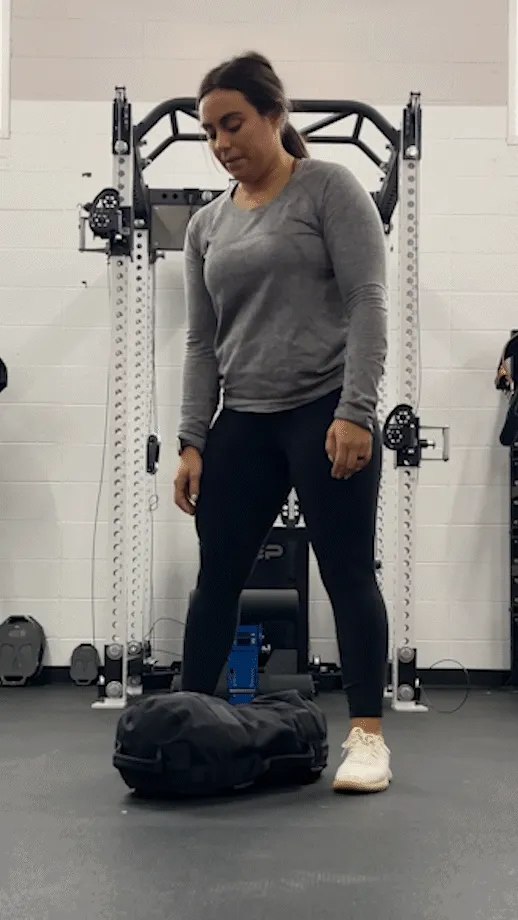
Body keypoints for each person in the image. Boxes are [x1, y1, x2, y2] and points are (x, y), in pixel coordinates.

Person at [174, 51, 391, 794]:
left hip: (323, 408)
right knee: (216, 581)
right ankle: (188, 721)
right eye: (208, 132)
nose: (221, 142)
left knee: (348, 572)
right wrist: (191, 439)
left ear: (274, 114)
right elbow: (203, 344)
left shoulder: (328, 188)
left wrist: (357, 409)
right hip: (244, 420)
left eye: (232, 123)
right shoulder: (204, 226)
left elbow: (367, 300)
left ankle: (367, 737)